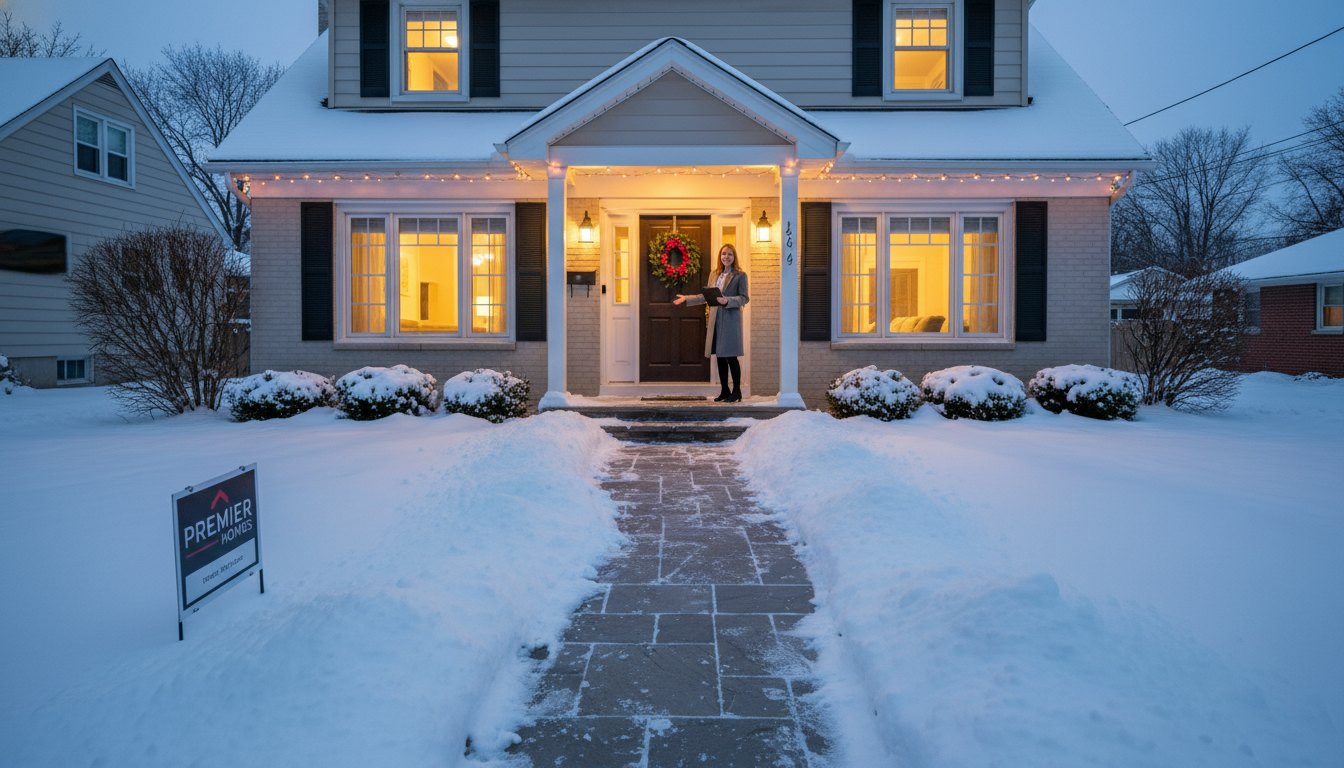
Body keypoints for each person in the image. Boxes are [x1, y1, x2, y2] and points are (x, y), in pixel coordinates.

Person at [674, 244, 749, 402]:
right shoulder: (714, 274)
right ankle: (725, 390)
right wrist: (687, 299)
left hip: (730, 320)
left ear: (734, 257)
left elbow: (744, 298)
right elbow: (706, 296)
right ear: (720, 256)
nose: (726, 257)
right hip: (715, 319)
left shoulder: (740, 275)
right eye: (724, 254)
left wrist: (727, 300)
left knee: (731, 356)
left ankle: (737, 391)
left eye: (729, 254)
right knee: (720, 356)